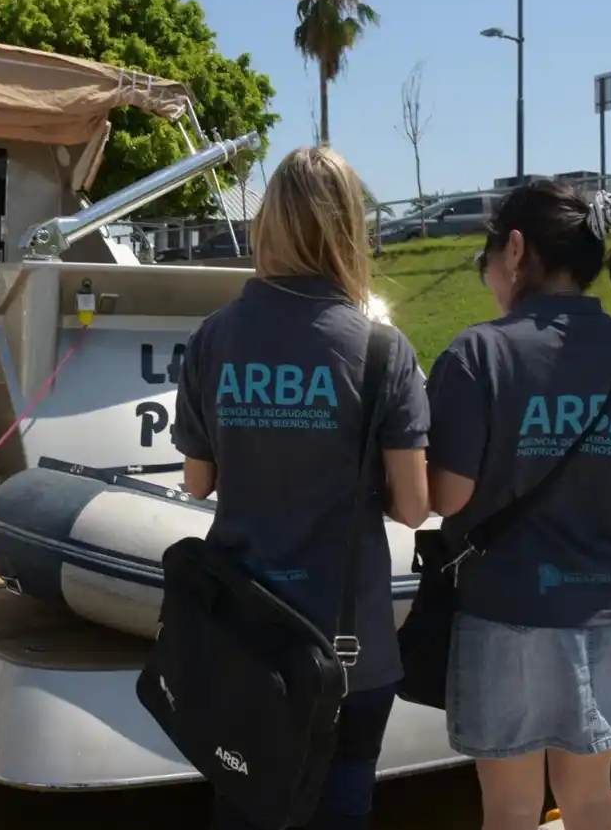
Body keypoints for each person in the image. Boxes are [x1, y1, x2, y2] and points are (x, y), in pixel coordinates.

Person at [171, 145, 433, 830]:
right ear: (348, 226)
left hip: (243, 640)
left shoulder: (213, 338)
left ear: (269, 225)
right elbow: (413, 505)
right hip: (350, 648)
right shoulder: (383, 350)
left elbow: (198, 483)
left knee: (243, 803)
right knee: (343, 806)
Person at [425, 182, 611, 830]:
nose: (487, 273)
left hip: (510, 614)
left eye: (485, 257)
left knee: (512, 810)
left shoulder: (476, 354)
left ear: (515, 250)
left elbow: (447, 497)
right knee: (591, 801)